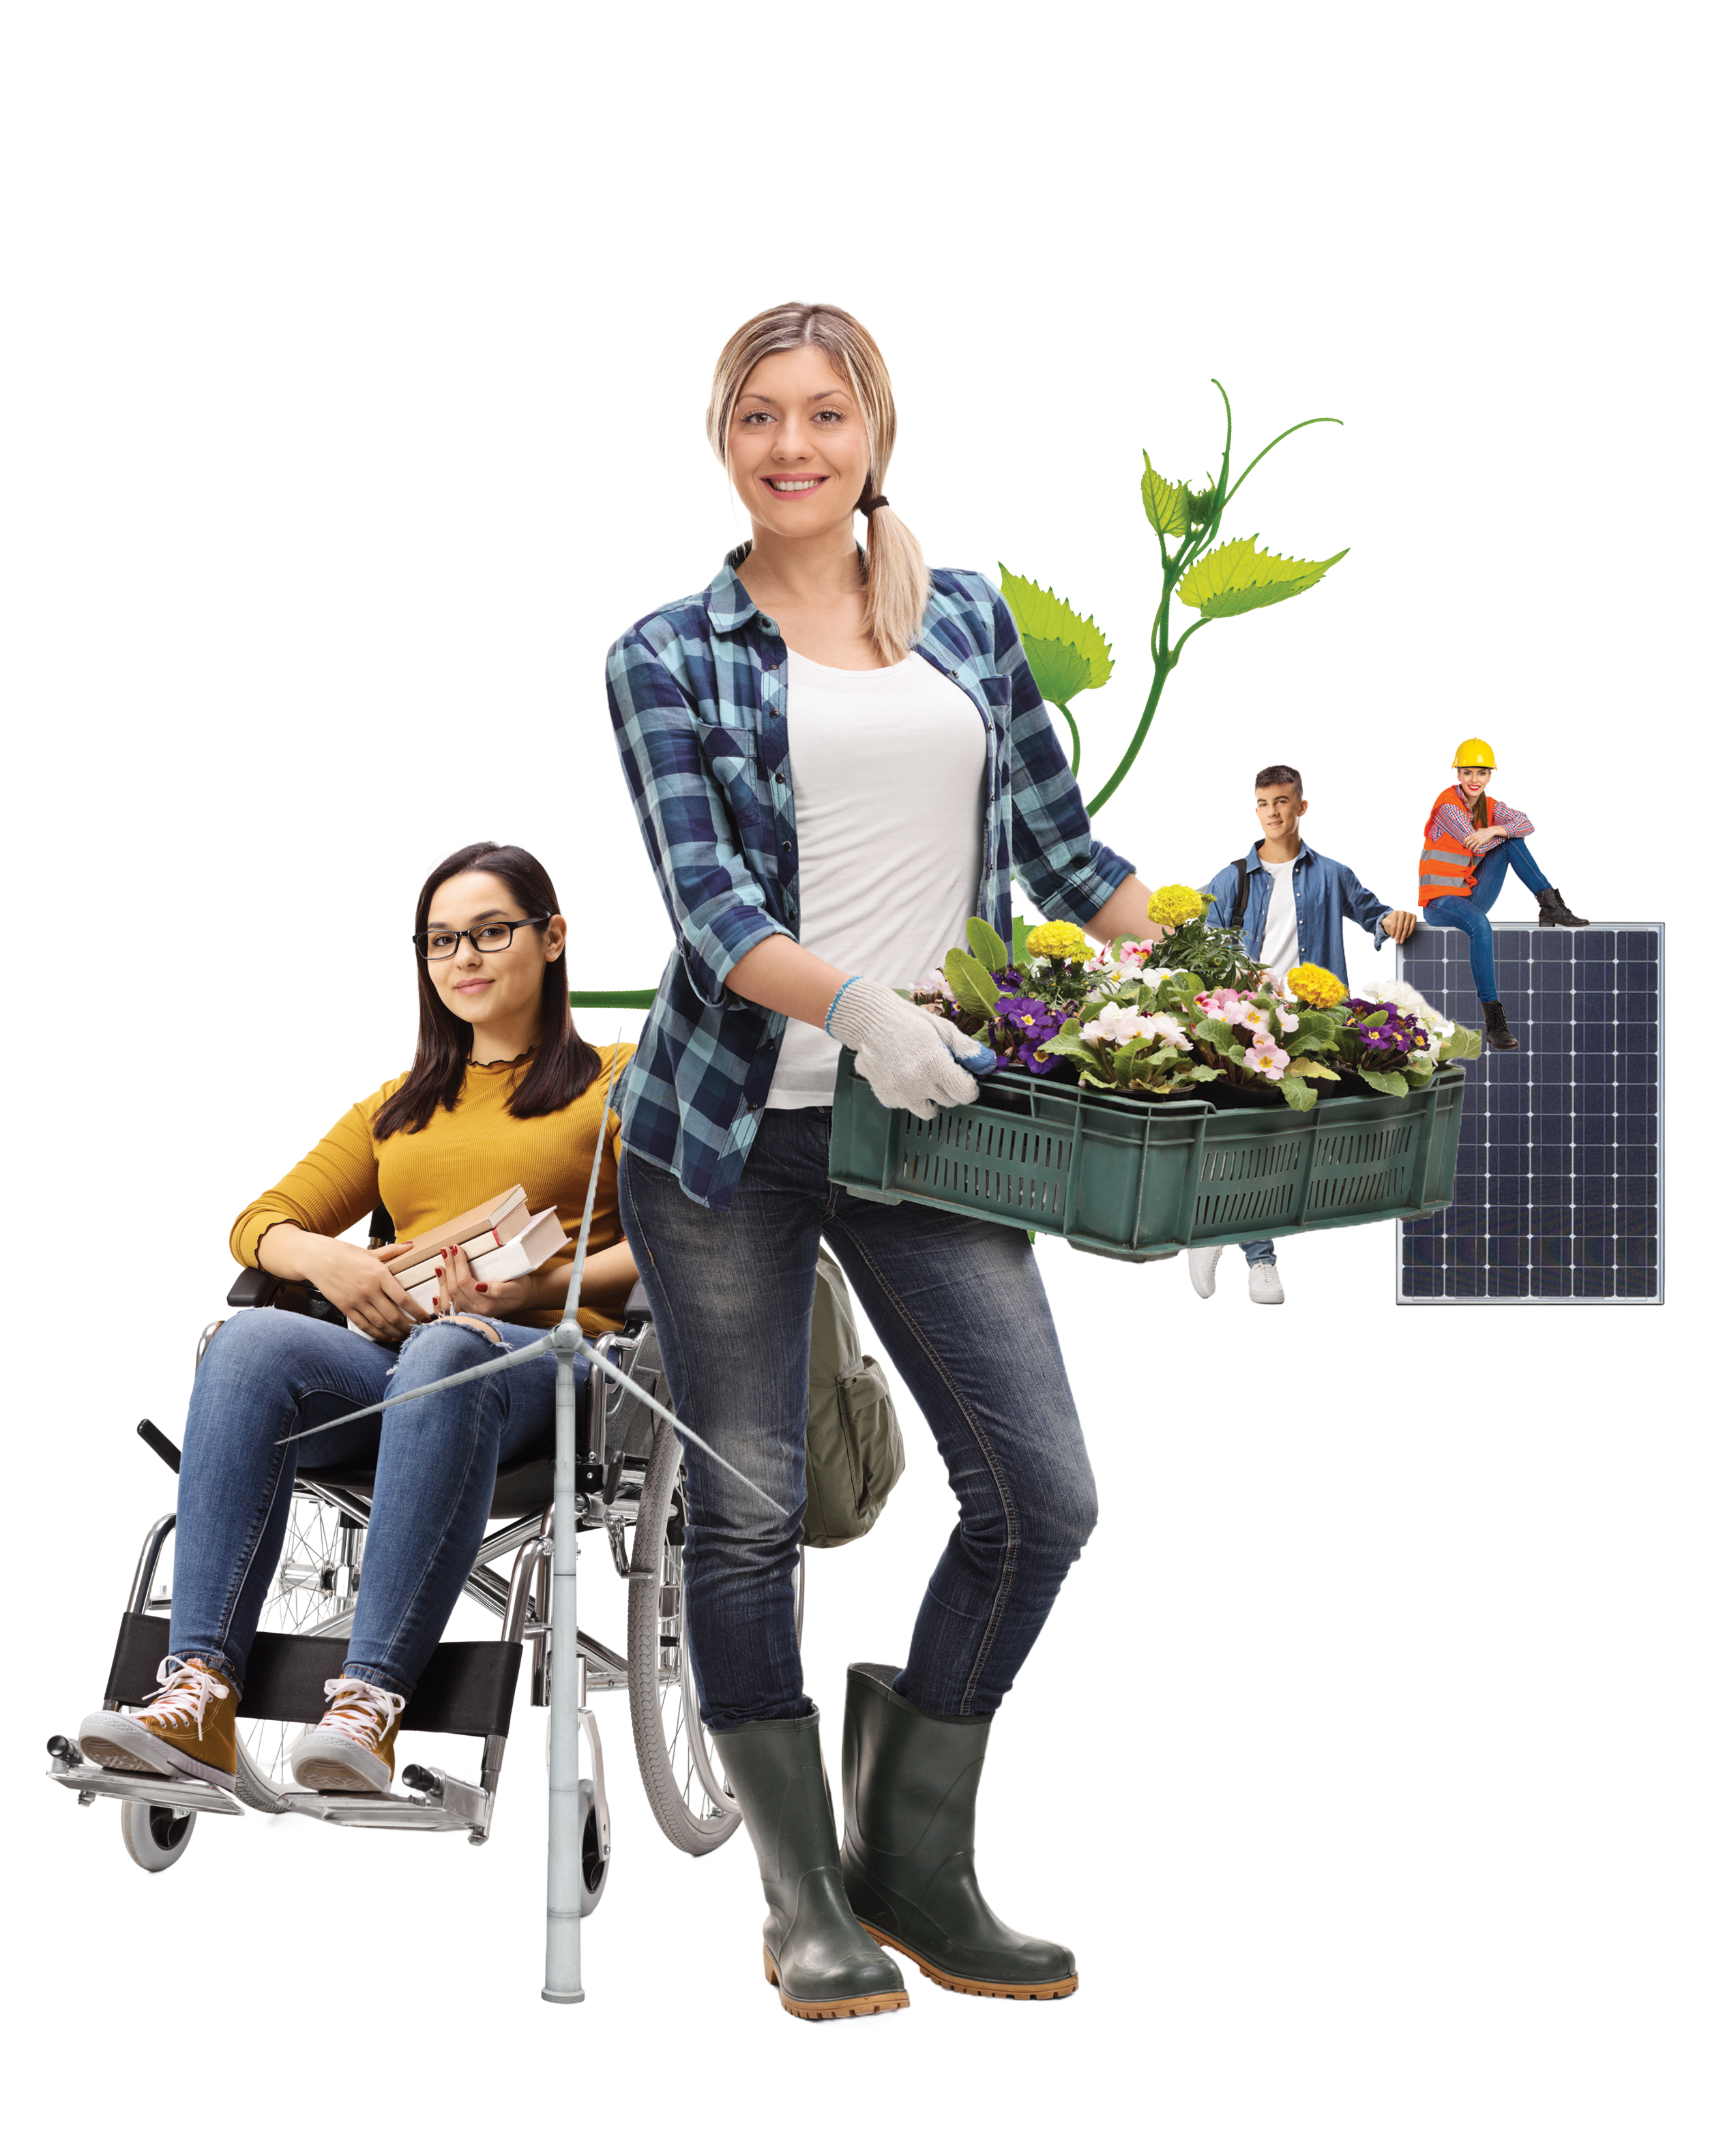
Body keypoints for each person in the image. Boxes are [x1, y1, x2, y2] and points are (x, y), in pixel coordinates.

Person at [606, 299, 1164, 2022]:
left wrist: (1217, 990)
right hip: (726, 1130)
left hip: (931, 1122)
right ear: (726, 440)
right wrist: (860, 1006)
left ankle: (914, 1861)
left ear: (874, 430)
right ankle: (800, 1892)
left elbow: (1069, 854)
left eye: (823, 412)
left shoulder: (969, 622)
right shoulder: (670, 651)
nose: (792, 446)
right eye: (758, 417)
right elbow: (711, 914)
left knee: (1040, 1495)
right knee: (756, 1498)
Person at [77, 841, 636, 1797]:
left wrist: (524, 1289)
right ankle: (200, 1693)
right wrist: (328, 1260)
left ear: (551, 939)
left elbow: (680, 1253)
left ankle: (368, 1704)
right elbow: (256, 1224)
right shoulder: (397, 1110)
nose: (463, 957)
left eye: (490, 932)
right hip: (410, 1361)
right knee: (250, 1341)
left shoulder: (617, 1080)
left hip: (557, 1360)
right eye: (440, 941)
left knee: (450, 1345)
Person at [1189, 765, 1417, 1308]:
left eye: (1283, 801)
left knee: (1289, 1139)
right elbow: (1188, 928)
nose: (1273, 811)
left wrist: (1394, 920)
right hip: (1251, 1026)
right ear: (1256, 809)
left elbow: (1372, 913)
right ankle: (1258, 1254)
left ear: (1301, 807)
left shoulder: (1331, 873)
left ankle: (1214, 1225)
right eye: (1264, 802)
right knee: (1254, 1133)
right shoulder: (1232, 879)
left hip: (1313, 1025)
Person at [1418, 739, 1587, 1048]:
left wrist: (1496, 828)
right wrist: (1496, 832)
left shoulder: (1491, 807)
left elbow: (1527, 824)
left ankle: (1549, 903)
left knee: (1512, 839)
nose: (1474, 780)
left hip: (1469, 896)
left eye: (1481, 773)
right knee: (1480, 924)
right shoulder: (1446, 805)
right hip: (1440, 902)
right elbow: (1476, 844)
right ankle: (1494, 1020)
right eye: (1467, 772)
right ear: (1458, 774)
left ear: (1490, 776)